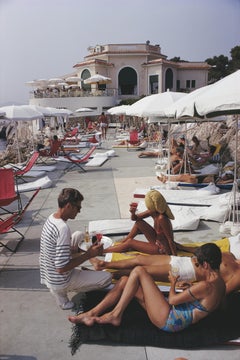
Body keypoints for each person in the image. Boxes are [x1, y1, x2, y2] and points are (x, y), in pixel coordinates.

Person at [69, 243, 226, 333]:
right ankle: (91, 313)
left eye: (198, 264)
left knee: (139, 271)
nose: (196, 265)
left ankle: (116, 314)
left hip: (170, 320)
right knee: (125, 280)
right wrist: (190, 288)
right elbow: (206, 302)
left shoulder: (207, 285)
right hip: (173, 313)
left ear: (206, 264)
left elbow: (173, 299)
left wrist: (172, 283)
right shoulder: (220, 283)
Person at [39, 188, 112, 310]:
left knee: (78, 234)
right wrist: (88, 255)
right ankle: (61, 293)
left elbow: (54, 252)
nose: (79, 211)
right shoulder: (62, 228)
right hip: (60, 279)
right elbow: (61, 268)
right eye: (78, 208)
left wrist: (80, 253)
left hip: (47, 273)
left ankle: (58, 290)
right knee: (107, 278)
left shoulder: (52, 218)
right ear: (68, 206)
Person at [91, 241, 240, 295]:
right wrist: (182, 247)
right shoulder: (229, 254)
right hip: (183, 260)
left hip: (187, 272)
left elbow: (222, 291)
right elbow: (204, 253)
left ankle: (101, 277)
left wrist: (193, 287)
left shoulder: (239, 274)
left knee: (140, 271)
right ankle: (104, 264)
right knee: (139, 259)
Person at [102, 189, 177, 255]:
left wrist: (174, 257)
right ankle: (123, 243)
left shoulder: (162, 218)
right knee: (139, 223)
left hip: (162, 249)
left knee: (130, 242)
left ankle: (103, 251)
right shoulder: (152, 211)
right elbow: (135, 219)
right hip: (156, 240)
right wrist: (133, 213)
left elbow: (170, 240)